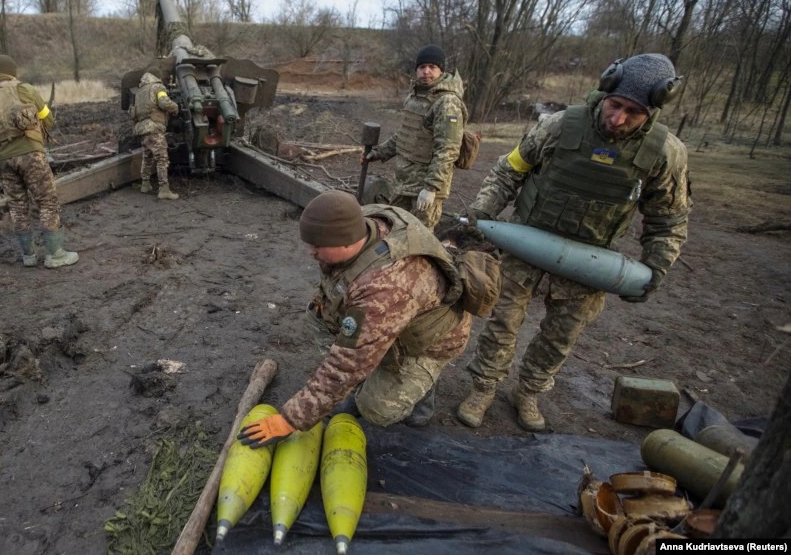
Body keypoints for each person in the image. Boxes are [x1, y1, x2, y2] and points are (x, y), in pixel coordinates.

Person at [456, 53, 691, 432]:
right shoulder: (560, 125)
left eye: (633, 112)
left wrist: (657, 267)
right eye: (615, 105)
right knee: (501, 322)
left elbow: (669, 218)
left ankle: (528, 391)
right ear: (605, 89)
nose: (618, 119)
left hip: (590, 262)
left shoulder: (665, 154)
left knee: (560, 336)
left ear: (653, 111)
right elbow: (509, 171)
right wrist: (482, 211)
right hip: (526, 245)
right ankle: (483, 387)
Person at [237, 190, 500, 449]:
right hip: (395, 316)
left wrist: (290, 419)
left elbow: (346, 365)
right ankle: (378, 360)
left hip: (431, 340)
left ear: (344, 243)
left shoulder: (385, 287)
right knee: (317, 319)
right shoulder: (360, 221)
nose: (310, 252)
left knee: (375, 409)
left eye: (317, 246)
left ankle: (423, 387)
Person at [0, 54, 79, 269]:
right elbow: (47, 118)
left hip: (3, 159)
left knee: (17, 206)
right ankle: (55, 254)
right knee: (47, 201)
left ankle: (28, 256)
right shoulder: (23, 88)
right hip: (30, 154)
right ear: (12, 70)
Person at [363, 44, 467, 229]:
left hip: (424, 188)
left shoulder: (447, 102)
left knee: (418, 238)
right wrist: (379, 153)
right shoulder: (415, 96)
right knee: (394, 230)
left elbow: (448, 149)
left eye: (432, 67)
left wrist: (431, 188)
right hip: (404, 181)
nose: (426, 71)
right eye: (422, 67)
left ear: (441, 70)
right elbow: (405, 134)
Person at [131, 70, 180, 200]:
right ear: (157, 77)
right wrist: (175, 107)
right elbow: (164, 102)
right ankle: (164, 189)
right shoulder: (157, 87)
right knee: (162, 158)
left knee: (147, 157)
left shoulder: (140, 92)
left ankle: (145, 184)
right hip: (154, 127)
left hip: (142, 128)